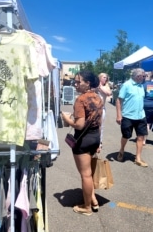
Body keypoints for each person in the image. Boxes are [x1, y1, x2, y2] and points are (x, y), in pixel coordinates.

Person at [61, 71, 103, 216]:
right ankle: (94, 201)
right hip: (95, 136)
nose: (76, 84)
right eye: (76, 81)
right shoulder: (98, 98)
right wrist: (100, 141)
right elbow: (99, 122)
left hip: (83, 139)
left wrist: (66, 119)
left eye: (79, 82)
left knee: (85, 175)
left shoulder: (80, 99)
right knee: (89, 174)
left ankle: (87, 207)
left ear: (88, 83)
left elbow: (79, 125)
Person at [116, 68, 148, 167]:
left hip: (141, 116)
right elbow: (119, 100)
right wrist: (118, 115)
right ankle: (122, 150)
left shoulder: (141, 86)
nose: (145, 78)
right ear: (138, 76)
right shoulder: (126, 85)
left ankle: (138, 158)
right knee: (126, 136)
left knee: (141, 137)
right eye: (144, 76)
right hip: (128, 116)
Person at [96, 73, 112, 150]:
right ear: (100, 78)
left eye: (106, 77)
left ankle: (99, 141)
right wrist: (97, 86)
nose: (105, 79)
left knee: (100, 126)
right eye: (103, 77)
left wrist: (100, 87)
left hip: (102, 108)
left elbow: (108, 93)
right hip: (94, 108)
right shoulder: (95, 85)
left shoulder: (106, 86)